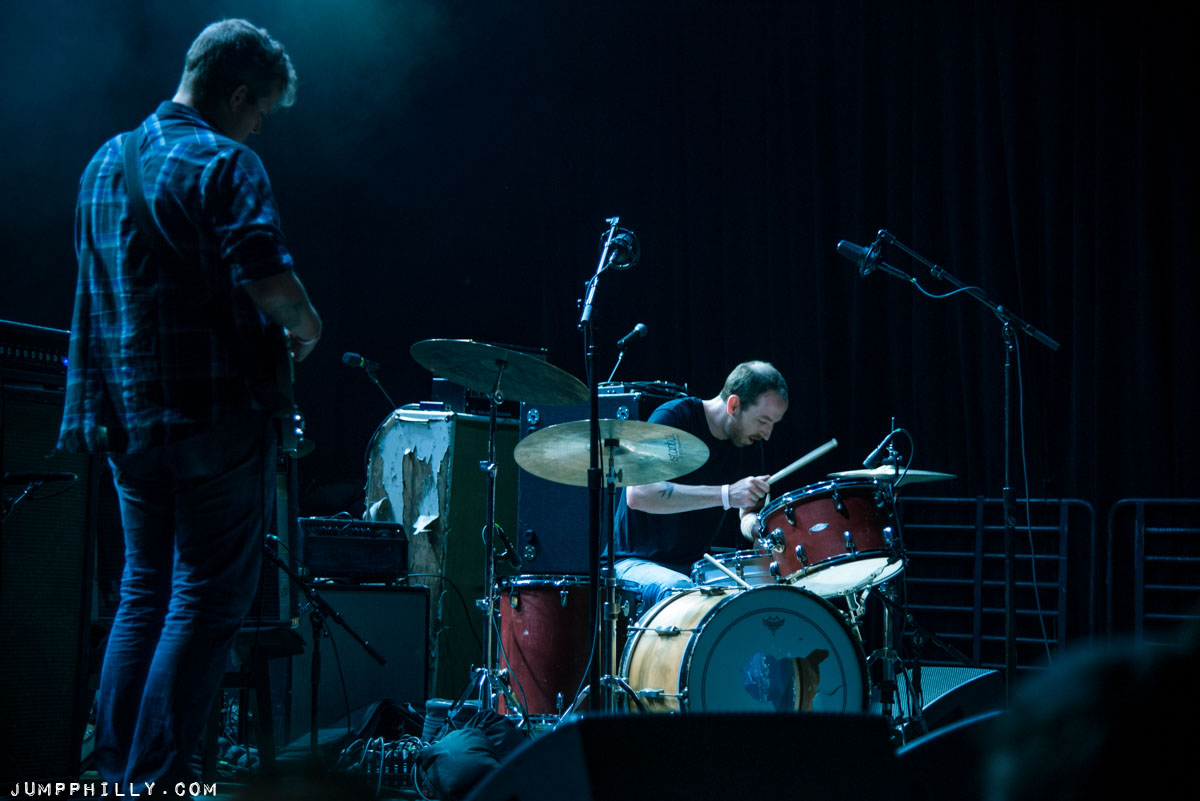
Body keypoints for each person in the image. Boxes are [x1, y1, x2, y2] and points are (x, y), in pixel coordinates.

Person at [57, 19, 321, 791]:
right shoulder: (226, 162)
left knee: (142, 592)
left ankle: (114, 775)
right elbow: (270, 281)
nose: (258, 126)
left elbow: (96, 298)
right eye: (259, 110)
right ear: (236, 94)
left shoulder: (103, 163)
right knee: (205, 600)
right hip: (214, 418)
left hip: (126, 422)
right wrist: (308, 326)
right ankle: (158, 780)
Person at [612, 361, 788, 610]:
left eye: (773, 424)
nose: (768, 434)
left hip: (695, 568)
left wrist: (759, 529)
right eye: (763, 421)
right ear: (734, 405)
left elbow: (747, 514)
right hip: (633, 563)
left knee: (764, 595)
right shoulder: (675, 417)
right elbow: (639, 494)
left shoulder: (749, 445)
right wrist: (726, 495)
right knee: (680, 591)